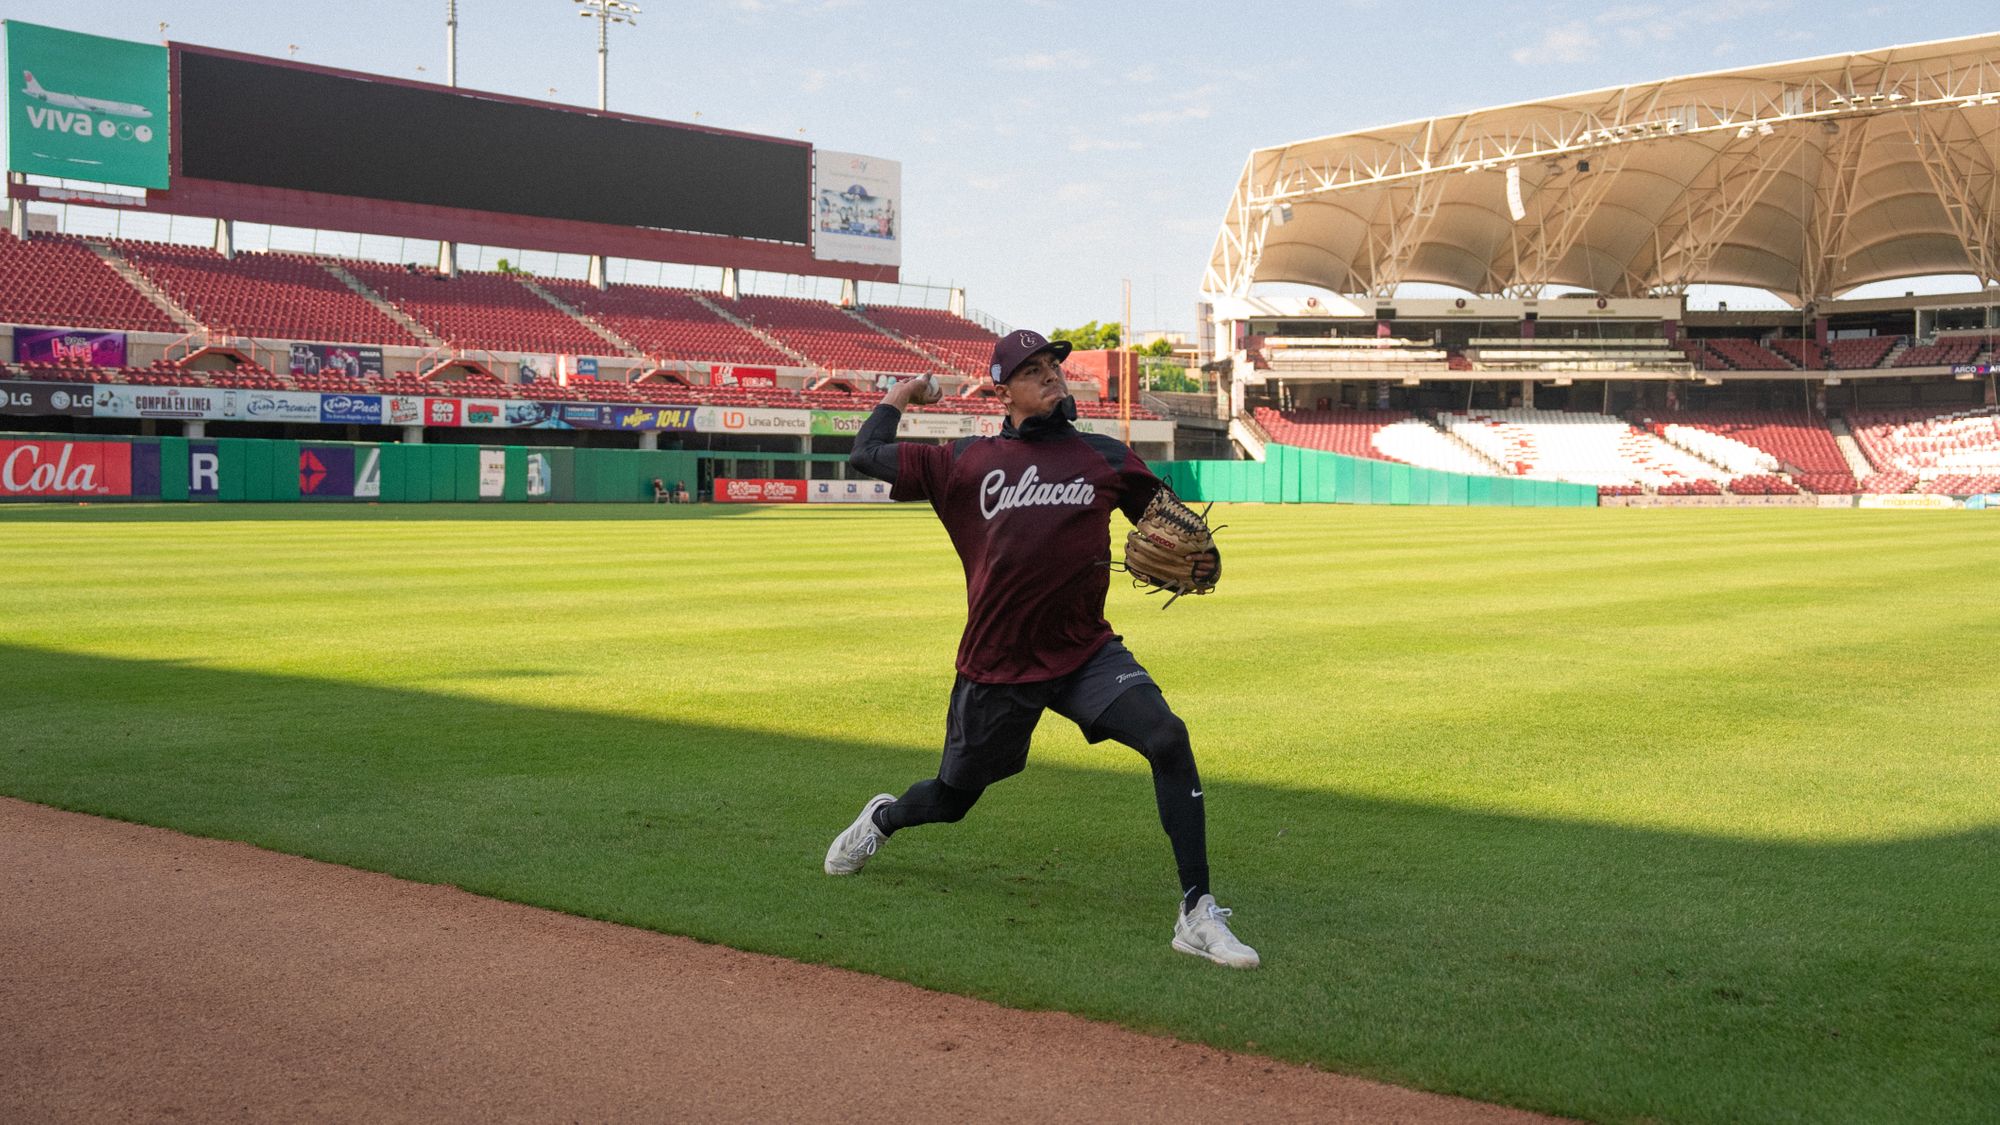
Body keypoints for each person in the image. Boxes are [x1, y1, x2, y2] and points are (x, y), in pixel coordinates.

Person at [822, 329, 1257, 969]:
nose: (1050, 375)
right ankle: (884, 819)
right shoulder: (965, 461)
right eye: (1031, 369)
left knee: (1167, 737)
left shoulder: (1106, 458)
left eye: (1052, 364)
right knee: (951, 800)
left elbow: (1173, 524)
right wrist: (901, 394)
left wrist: (1202, 555)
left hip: (1085, 653)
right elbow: (866, 454)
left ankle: (1196, 913)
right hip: (998, 666)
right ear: (1004, 390)